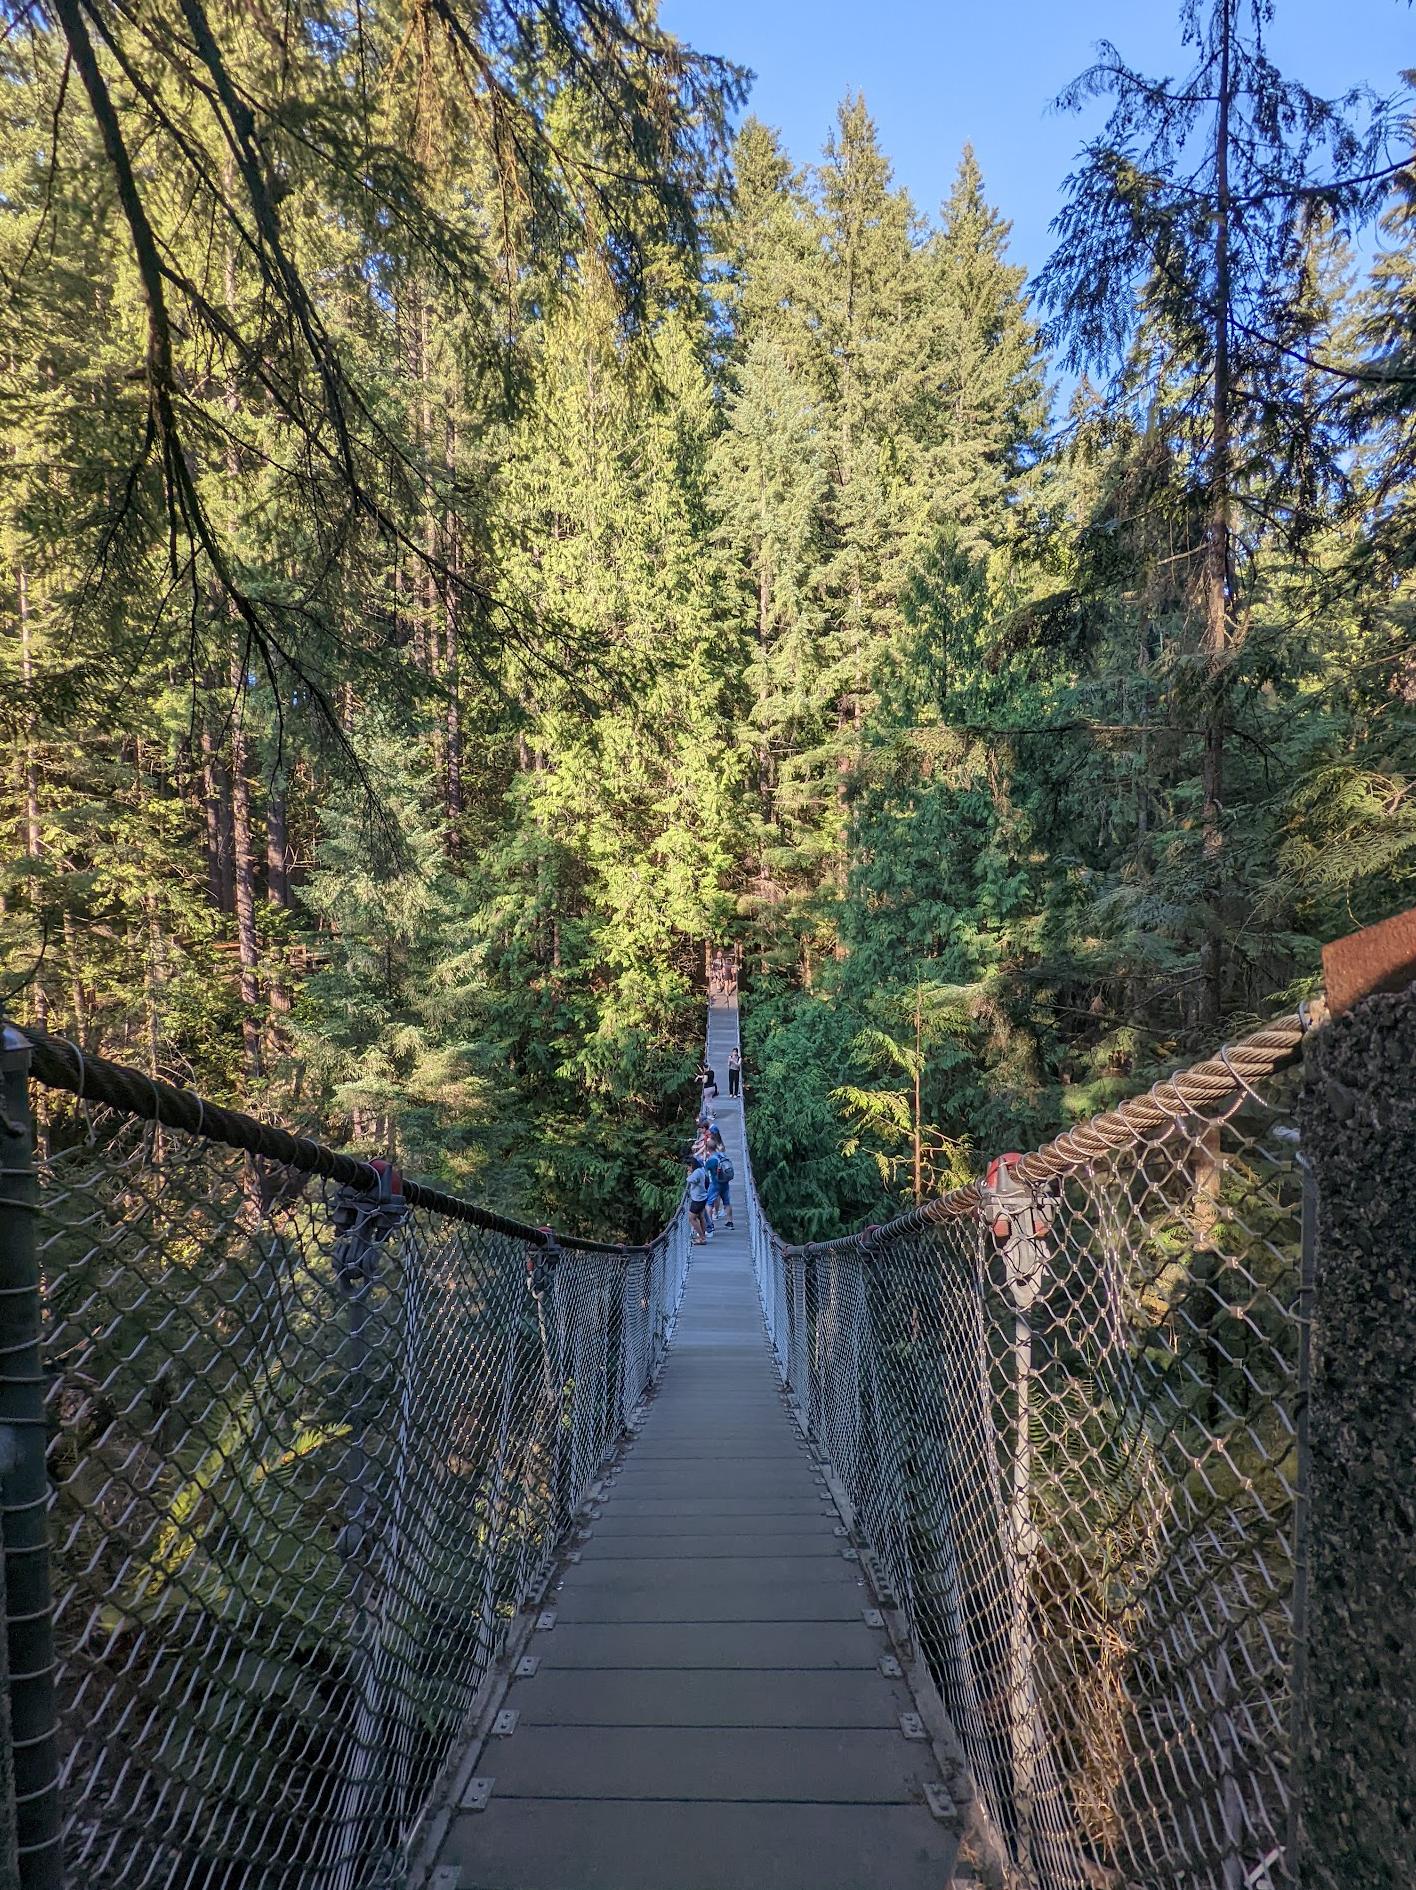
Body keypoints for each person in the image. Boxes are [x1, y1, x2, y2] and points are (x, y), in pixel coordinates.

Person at [684, 1154, 710, 1244]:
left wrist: (688, 1175)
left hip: (697, 1199)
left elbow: (690, 1179)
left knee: (691, 1218)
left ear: (692, 1165)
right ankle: (703, 1236)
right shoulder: (701, 1169)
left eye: (688, 1167)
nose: (687, 1168)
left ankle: (702, 1238)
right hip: (703, 1197)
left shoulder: (696, 1173)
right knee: (701, 1217)